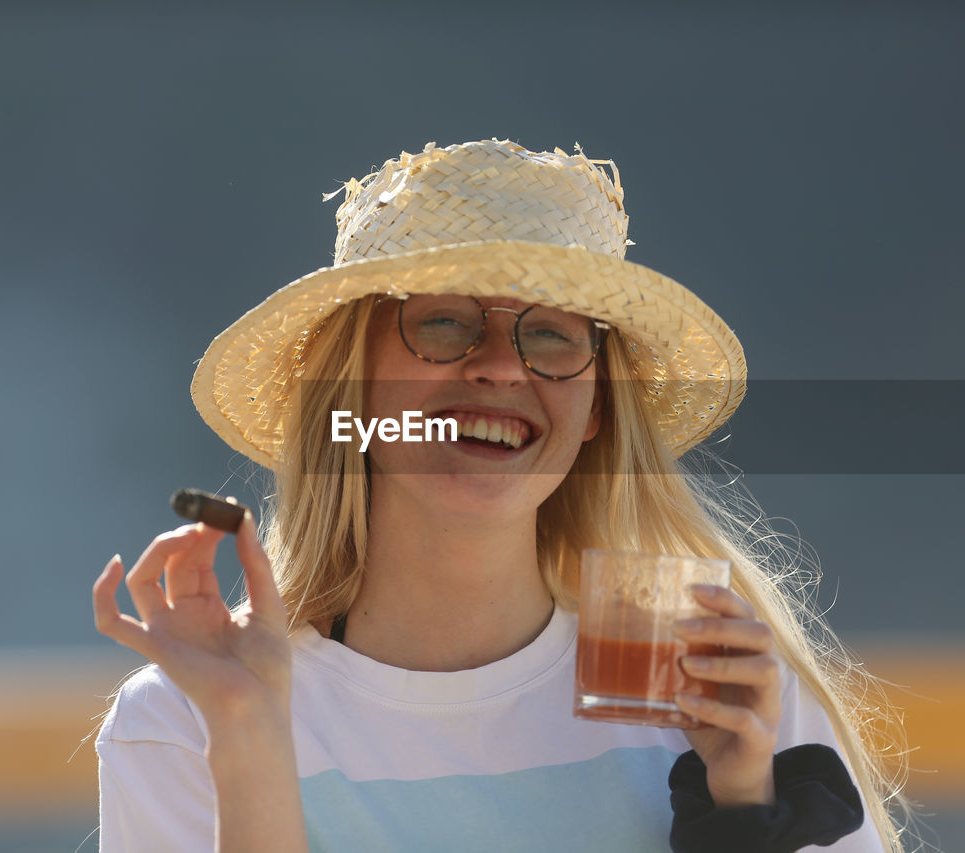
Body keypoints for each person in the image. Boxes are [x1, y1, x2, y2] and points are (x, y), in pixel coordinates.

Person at [92, 139, 908, 852]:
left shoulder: (716, 688)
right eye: (445, 322)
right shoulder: (189, 715)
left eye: (551, 333)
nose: (501, 366)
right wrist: (246, 734)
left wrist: (739, 811)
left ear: (596, 411)